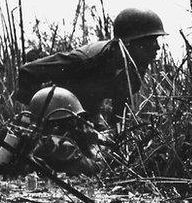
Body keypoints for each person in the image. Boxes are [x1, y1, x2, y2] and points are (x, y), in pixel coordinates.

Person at [14, 8, 165, 129]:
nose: (157, 47)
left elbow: (119, 113)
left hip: (85, 117)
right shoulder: (84, 60)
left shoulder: (135, 67)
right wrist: (39, 113)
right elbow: (28, 71)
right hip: (57, 116)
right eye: (152, 41)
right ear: (130, 44)